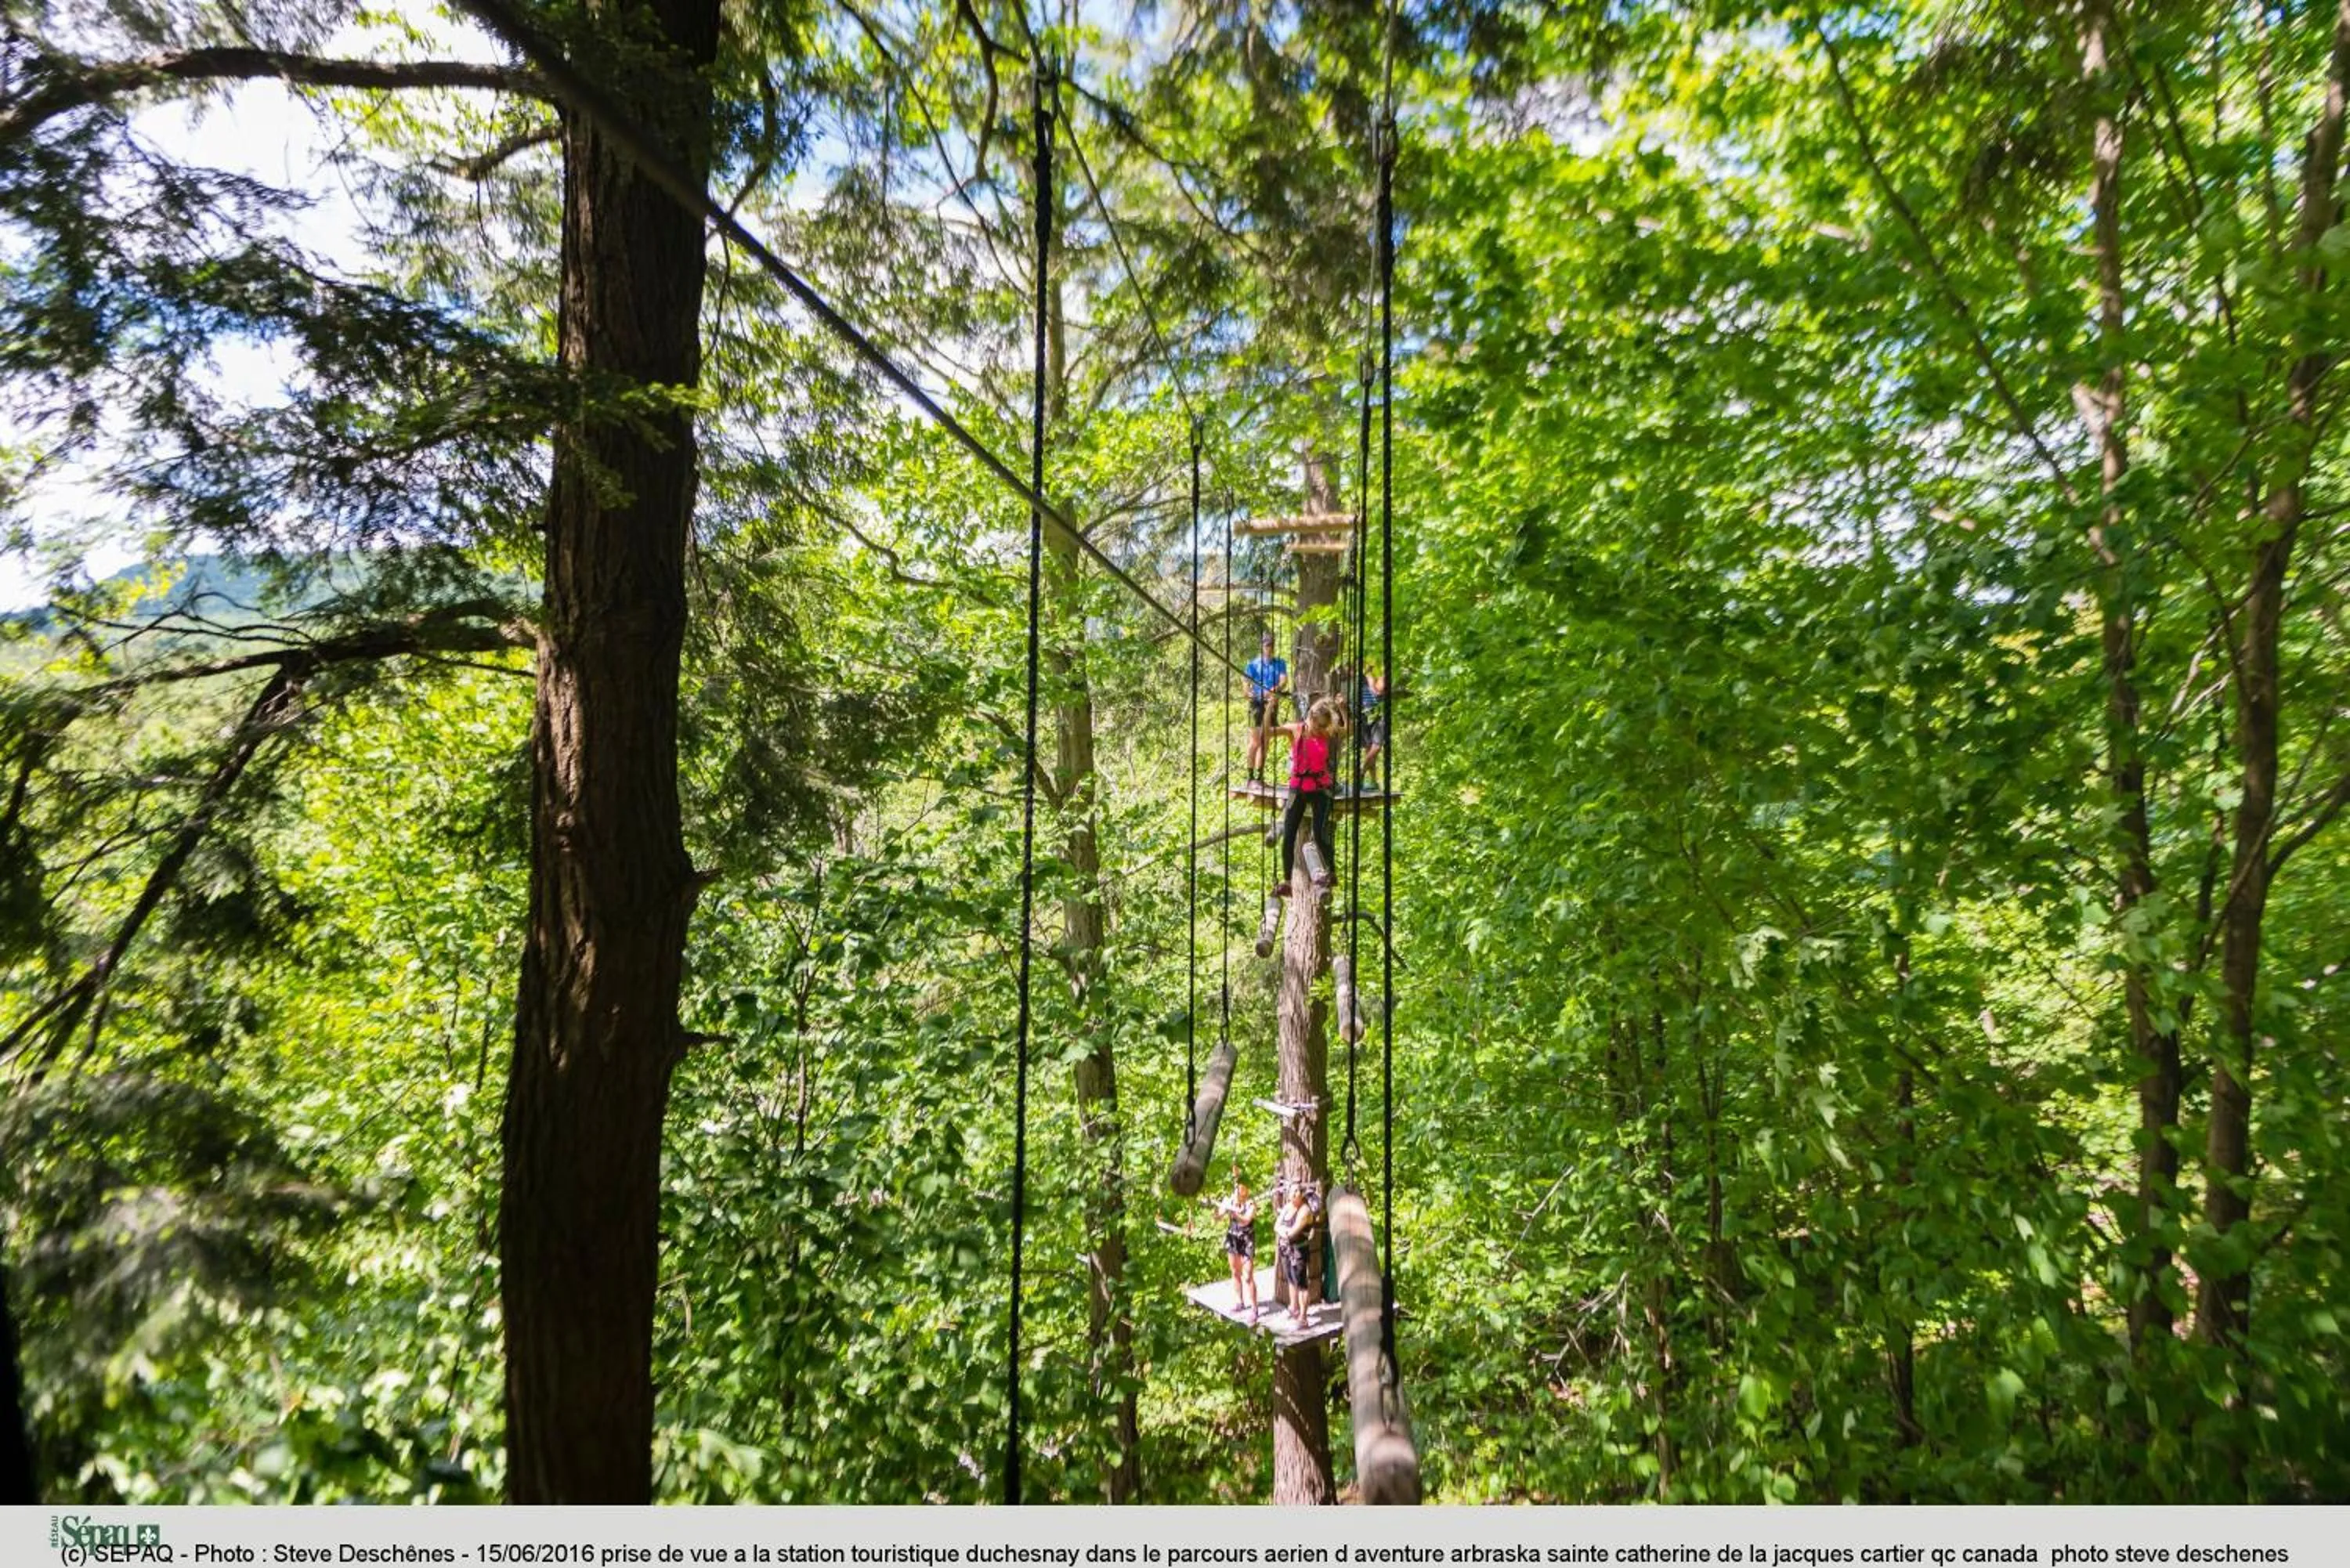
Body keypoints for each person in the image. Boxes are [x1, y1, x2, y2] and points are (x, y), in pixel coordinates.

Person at [1271, 697, 1345, 898]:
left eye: (1324, 725)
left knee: (1320, 835)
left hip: (1320, 788)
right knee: (1288, 835)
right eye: (1319, 724)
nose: (1320, 728)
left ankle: (1331, 872)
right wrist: (1270, 707)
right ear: (1311, 717)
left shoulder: (1326, 734)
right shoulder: (1296, 730)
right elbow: (1268, 732)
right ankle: (1287, 882)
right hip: (1298, 787)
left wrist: (1343, 709)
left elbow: (1348, 730)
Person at [1210, 1174, 1260, 1324]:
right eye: (1238, 1188)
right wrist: (1216, 1211)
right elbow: (1218, 1217)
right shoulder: (1230, 1201)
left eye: (1242, 1188)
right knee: (1235, 1272)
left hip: (1246, 1241)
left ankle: (1254, 1307)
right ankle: (1239, 1301)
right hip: (1233, 1239)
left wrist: (1234, 1213)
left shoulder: (1251, 1204)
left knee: (1248, 1275)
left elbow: (1246, 1221)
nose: (1239, 1191)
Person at [1242, 632, 1289, 784]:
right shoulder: (1253, 664)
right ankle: (1250, 777)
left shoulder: (1280, 663)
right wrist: (1248, 693)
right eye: (1267, 645)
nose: (1270, 648)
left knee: (1266, 740)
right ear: (1262, 646)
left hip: (1272, 703)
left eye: (1271, 645)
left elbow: (1283, 681)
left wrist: (1273, 690)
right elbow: (1245, 684)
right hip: (1257, 704)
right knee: (1255, 741)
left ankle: (1260, 777)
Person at [1275, 1180, 1322, 1318]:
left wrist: (1283, 1232)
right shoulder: (1287, 1207)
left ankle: (1303, 1317)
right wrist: (1284, 1231)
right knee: (1291, 1279)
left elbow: (1293, 1232)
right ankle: (1293, 1308)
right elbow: (1276, 1225)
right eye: (1293, 1191)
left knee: (1301, 1283)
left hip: (1298, 1251)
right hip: (1286, 1250)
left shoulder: (1305, 1211)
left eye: (1298, 1191)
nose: (1296, 1193)